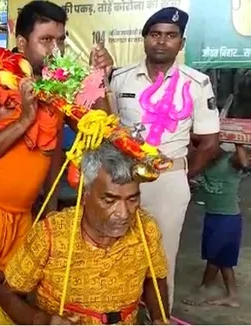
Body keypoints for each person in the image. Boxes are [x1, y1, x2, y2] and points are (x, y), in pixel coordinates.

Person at [0, 1, 113, 324]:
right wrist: (23, 121)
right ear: (22, 42)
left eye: (61, 39)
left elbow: (100, 128)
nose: (56, 49)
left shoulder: (61, 87)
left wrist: (100, 78)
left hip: (21, 214)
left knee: (4, 293)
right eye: (46, 40)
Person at [110, 7, 221, 309]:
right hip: (122, 180)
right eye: (155, 35)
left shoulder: (196, 83)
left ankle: (159, 316)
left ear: (181, 43)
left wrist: (180, 176)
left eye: (171, 36)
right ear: (144, 39)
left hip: (168, 181)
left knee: (160, 259)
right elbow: (107, 128)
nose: (162, 41)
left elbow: (210, 143)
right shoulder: (120, 79)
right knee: (115, 253)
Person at [0, 143, 169, 325]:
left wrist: (159, 317)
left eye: (132, 199)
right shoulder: (51, 234)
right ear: (85, 195)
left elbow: (155, 278)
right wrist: (43, 321)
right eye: (109, 200)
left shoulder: (146, 229)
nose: (124, 213)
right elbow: (7, 294)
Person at [183, 144, 248, 308]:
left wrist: (237, 141)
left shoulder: (230, 160)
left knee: (216, 257)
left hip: (228, 218)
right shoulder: (204, 161)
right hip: (212, 215)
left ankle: (205, 288)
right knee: (220, 259)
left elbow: (245, 162)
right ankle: (231, 295)